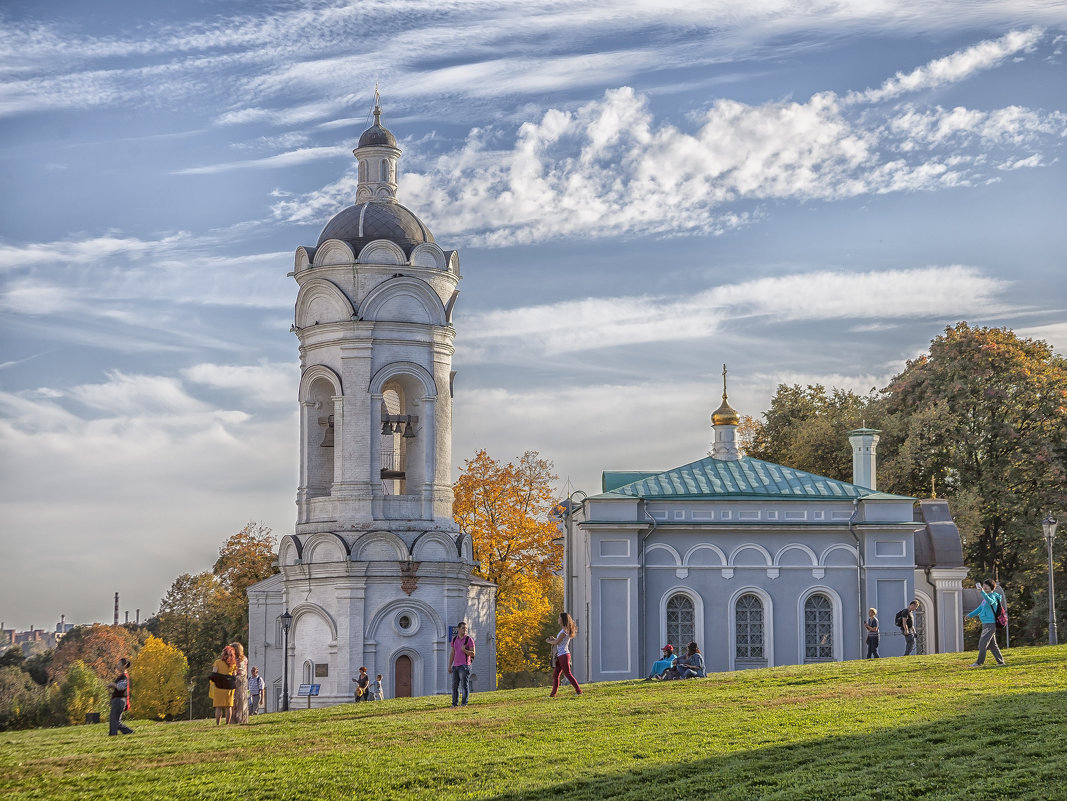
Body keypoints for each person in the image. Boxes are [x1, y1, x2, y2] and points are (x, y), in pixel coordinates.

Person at [966, 579, 1006, 667]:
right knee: (992, 645)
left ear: (991, 587)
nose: (984, 587)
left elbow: (990, 602)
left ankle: (979, 662)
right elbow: (979, 609)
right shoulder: (985, 598)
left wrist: (982, 592)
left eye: (986, 586)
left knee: (982, 644)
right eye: (983, 585)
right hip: (986, 623)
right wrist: (969, 615)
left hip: (990, 623)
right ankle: (1001, 662)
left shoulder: (994, 596)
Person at [546, 611, 582, 697]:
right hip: (560, 655)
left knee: (568, 674)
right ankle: (552, 694)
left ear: (563, 620)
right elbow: (559, 641)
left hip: (563, 655)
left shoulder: (564, 632)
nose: (558, 619)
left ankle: (579, 691)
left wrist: (549, 641)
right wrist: (554, 639)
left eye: (559, 618)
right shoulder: (564, 631)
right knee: (556, 675)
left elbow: (557, 642)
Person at [448, 621, 475, 707]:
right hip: (455, 666)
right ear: (458, 629)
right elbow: (452, 653)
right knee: (454, 686)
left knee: (464, 685)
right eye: (463, 628)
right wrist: (449, 665)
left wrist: (465, 650)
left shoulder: (469, 639)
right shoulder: (454, 639)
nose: (465, 630)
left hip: (465, 666)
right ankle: (454, 704)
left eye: (466, 628)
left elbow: (473, 653)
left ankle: (464, 703)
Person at [209, 645, 237, 725]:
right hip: (229, 687)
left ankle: (218, 724)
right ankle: (227, 724)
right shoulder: (233, 665)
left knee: (218, 707)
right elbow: (234, 675)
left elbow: (214, 673)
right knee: (229, 707)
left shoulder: (217, 662)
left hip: (219, 686)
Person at [107, 657, 134, 736]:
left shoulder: (124, 677)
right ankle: (128, 732)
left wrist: (112, 684)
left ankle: (114, 735)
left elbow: (121, 687)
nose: (117, 666)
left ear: (124, 665)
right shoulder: (122, 676)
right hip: (119, 700)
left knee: (114, 720)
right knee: (115, 720)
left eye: (119, 664)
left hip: (119, 700)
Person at [231, 642, 249, 724]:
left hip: (235, 679)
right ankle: (243, 718)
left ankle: (234, 718)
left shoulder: (233, 659)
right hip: (243, 679)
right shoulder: (244, 658)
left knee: (234, 700)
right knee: (242, 699)